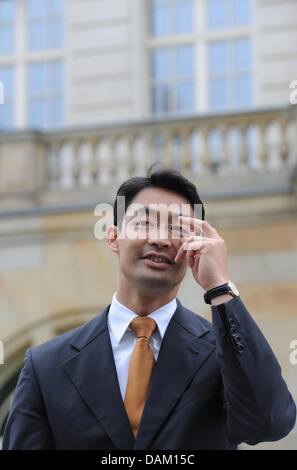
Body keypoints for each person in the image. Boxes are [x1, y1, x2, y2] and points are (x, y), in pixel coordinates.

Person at [2, 166, 296, 450]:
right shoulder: (45, 366)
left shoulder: (221, 354)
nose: (160, 239)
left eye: (179, 228)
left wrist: (219, 287)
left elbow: (270, 422)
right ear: (113, 237)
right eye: (144, 223)